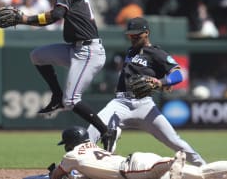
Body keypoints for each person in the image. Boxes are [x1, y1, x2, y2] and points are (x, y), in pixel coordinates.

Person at [0, 0, 116, 150]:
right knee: (37, 56)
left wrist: (25, 19)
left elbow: (57, 15)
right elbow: (56, 15)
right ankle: (57, 95)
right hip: (76, 48)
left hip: (88, 51)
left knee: (72, 100)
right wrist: (25, 20)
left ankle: (106, 131)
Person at [87, 17, 206, 166]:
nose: (133, 37)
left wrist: (160, 82)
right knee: (93, 129)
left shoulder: (155, 52)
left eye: (137, 34)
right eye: (131, 35)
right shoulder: (131, 50)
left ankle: (203, 168)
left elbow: (177, 74)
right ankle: (78, 168)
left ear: (147, 33)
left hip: (145, 106)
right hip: (120, 103)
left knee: (175, 141)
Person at [48, 126, 227, 179]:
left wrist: (60, 174)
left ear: (69, 143)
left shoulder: (71, 156)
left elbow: (55, 176)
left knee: (167, 170)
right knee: (201, 173)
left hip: (132, 171)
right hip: (138, 159)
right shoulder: (93, 148)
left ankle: (174, 165)